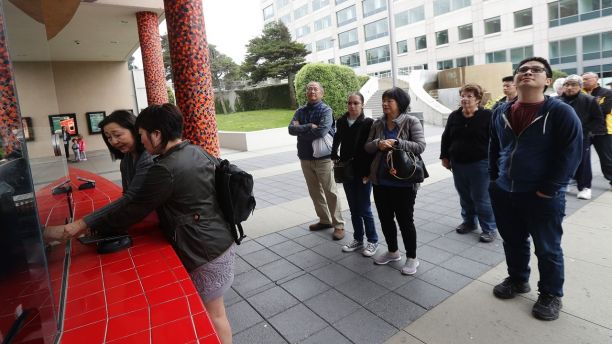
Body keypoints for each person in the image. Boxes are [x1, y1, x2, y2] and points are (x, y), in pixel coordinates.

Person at [45, 104, 236, 343]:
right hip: (217, 241)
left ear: (156, 134)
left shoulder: (164, 168)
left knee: (213, 315)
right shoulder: (194, 151)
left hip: (204, 249)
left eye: (142, 133)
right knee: (215, 313)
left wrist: (78, 226)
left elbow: (133, 205)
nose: (141, 139)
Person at [489, 57, 582, 321]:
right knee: (513, 240)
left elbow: (571, 153)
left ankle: (551, 294)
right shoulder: (501, 111)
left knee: (548, 247)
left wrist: (549, 189)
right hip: (505, 191)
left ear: (548, 80)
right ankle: (518, 280)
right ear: (516, 78)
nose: (528, 72)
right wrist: (493, 180)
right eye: (522, 70)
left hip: (542, 194)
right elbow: (495, 147)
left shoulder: (560, 112)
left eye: (536, 70)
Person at [364, 87, 425, 275]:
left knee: (405, 220)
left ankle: (412, 258)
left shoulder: (411, 121)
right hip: (381, 181)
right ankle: (393, 252)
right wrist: (377, 144)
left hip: (404, 182)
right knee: (385, 219)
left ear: (400, 103)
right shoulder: (378, 124)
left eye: (389, 101)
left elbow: (420, 146)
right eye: (384, 100)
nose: (385, 104)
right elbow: (367, 147)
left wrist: (397, 143)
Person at [440, 84, 497, 243]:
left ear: (478, 99)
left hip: (480, 164)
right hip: (458, 163)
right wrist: (444, 156)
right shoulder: (454, 116)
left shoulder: (488, 116)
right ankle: (470, 222)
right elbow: (446, 138)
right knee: (465, 196)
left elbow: (497, 140)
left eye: (469, 96)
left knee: (481, 198)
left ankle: (489, 228)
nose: (465, 99)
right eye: (463, 95)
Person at [289, 81, 345, 240]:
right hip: (305, 157)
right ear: (306, 93)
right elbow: (290, 129)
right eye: (309, 89)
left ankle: (339, 225)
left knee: (330, 191)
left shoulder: (326, 110)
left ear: (322, 93)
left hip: (324, 158)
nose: (312, 91)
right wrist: (309, 126)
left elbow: (321, 131)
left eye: (315, 89)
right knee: (315, 192)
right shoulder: (300, 110)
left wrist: (301, 129)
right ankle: (325, 220)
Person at [331, 92, 378, 256]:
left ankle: (372, 241)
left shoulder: (369, 123)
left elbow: (373, 151)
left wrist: (369, 173)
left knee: (364, 208)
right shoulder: (342, 121)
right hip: (346, 170)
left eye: (356, 103)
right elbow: (337, 138)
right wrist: (333, 154)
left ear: (362, 105)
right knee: (353, 209)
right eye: (349, 103)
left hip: (363, 171)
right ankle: (358, 239)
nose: (352, 106)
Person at [559, 75, 605, 200]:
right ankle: (564, 183)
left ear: (580, 86)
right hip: (560, 137)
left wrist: (585, 130)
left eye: (573, 85)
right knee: (561, 161)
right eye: (567, 85)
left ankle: (585, 187)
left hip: (581, 136)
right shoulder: (557, 100)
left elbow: (598, 119)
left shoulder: (589, 100)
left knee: (582, 162)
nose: (569, 87)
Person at [582, 72, 612, 190]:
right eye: (583, 79)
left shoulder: (607, 93)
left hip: (603, 131)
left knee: (607, 158)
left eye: (587, 79)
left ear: (596, 79)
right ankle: (581, 182)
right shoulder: (580, 93)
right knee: (582, 157)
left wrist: (586, 110)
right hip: (585, 130)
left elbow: (604, 110)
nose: (584, 81)